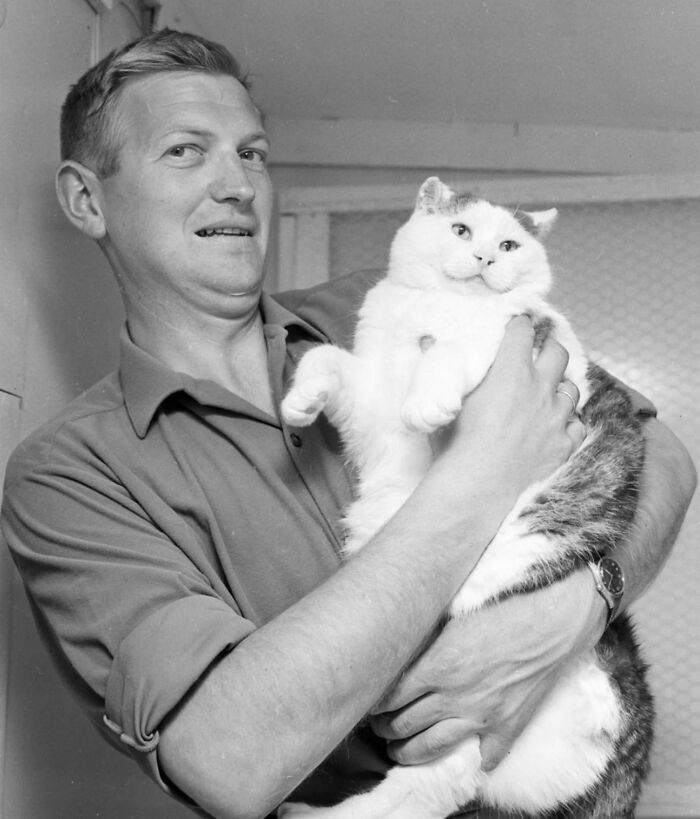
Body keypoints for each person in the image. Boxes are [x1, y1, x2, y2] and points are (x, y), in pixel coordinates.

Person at [1, 28, 695, 819]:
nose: (237, 184)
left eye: (252, 153)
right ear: (87, 199)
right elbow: (229, 760)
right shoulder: (69, 473)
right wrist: (486, 467)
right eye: (187, 152)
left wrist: (570, 612)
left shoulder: (388, 300)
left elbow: (663, 458)